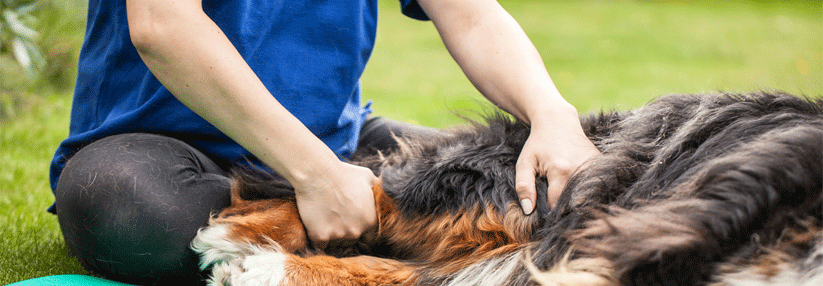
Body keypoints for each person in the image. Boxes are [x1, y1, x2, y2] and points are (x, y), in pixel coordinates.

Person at [50, 0, 600, 283]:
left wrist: (551, 114)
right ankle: (350, 240)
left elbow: (472, 18)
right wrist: (314, 177)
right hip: (163, 149)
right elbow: (162, 26)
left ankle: (318, 239)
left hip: (341, 146)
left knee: (508, 194)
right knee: (125, 208)